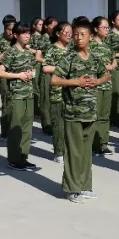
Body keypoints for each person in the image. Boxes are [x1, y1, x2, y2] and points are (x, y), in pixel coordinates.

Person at [52, 20, 110, 203]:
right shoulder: (69, 58)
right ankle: (72, 188)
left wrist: (97, 82)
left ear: (90, 37)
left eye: (82, 35)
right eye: (75, 34)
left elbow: (106, 74)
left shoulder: (94, 58)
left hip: (90, 111)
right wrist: (75, 82)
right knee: (74, 151)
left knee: (85, 151)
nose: (77, 38)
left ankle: (85, 186)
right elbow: (54, 79)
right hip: (73, 112)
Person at [0, 22, 39, 171]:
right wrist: (19, 75)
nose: (27, 36)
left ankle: (23, 157)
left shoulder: (28, 52)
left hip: (28, 93)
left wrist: (31, 74)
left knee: (27, 128)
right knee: (16, 128)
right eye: (24, 33)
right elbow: (1, 72)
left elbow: (32, 69)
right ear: (16, 35)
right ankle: (14, 159)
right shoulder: (11, 52)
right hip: (16, 95)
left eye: (28, 33)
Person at [42, 22, 72, 164]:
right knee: (58, 123)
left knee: (70, 122)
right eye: (66, 32)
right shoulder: (52, 49)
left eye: (70, 32)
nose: (69, 34)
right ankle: (59, 151)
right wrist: (62, 69)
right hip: (58, 90)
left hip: (72, 90)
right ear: (58, 34)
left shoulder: (72, 49)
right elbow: (45, 68)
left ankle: (69, 149)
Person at [89, 16, 116, 155]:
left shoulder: (107, 47)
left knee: (105, 116)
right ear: (95, 28)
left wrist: (112, 65)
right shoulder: (89, 45)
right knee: (95, 116)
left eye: (108, 28)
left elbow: (114, 60)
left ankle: (103, 143)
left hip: (107, 84)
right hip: (95, 86)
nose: (107, 30)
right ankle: (94, 144)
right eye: (104, 27)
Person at [0, 15, 16, 139]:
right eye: (9, 29)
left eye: (13, 29)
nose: (11, 32)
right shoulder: (0, 41)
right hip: (5, 76)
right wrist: (6, 52)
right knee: (7, 104)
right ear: (5, 29)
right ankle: (5, 132)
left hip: (18, 76)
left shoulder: (18, 39)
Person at [29, 17, 51, 132]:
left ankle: (38, 109)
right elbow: (27, 48)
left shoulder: (44, 37)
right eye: (39, 24)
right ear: (34, 26)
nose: (41, 26)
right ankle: (36, 109)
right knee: (35, 86)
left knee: (38, 87)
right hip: (34, 63)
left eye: (43, 24)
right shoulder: (32, 37)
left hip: (41, 64)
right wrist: (36, 51)